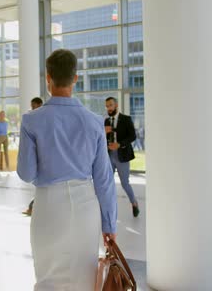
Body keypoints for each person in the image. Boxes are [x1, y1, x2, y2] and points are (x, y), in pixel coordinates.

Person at [17, 49, 117, 290]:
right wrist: (109, 225)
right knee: (84, 279)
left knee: (47, 277)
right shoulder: (94, 121)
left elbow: (26, 173)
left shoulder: (32, 121)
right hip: (85, 207)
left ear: (48, 78)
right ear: (75, 78)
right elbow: (104, 179)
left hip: (49, 206)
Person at [105, 97, 140, 217]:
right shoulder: (106, 121)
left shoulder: (126, 119)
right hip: (109, 155)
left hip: (122, 155)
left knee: (125, 183)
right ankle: (109, 208)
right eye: (107, 106)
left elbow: (132, 136)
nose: (108, 108)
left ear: (116, 106)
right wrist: (103, 132)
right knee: (108, 182)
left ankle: (134, 203)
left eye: (110, 105)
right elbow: (101, 139)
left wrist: (119, 144)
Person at [22, 97, 43, 216]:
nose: (33, 108)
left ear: (40, 104)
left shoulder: (42, 118)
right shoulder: (31, 119)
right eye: (32, 106)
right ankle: (32, 207)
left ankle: (32, 207)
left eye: (35, 106)